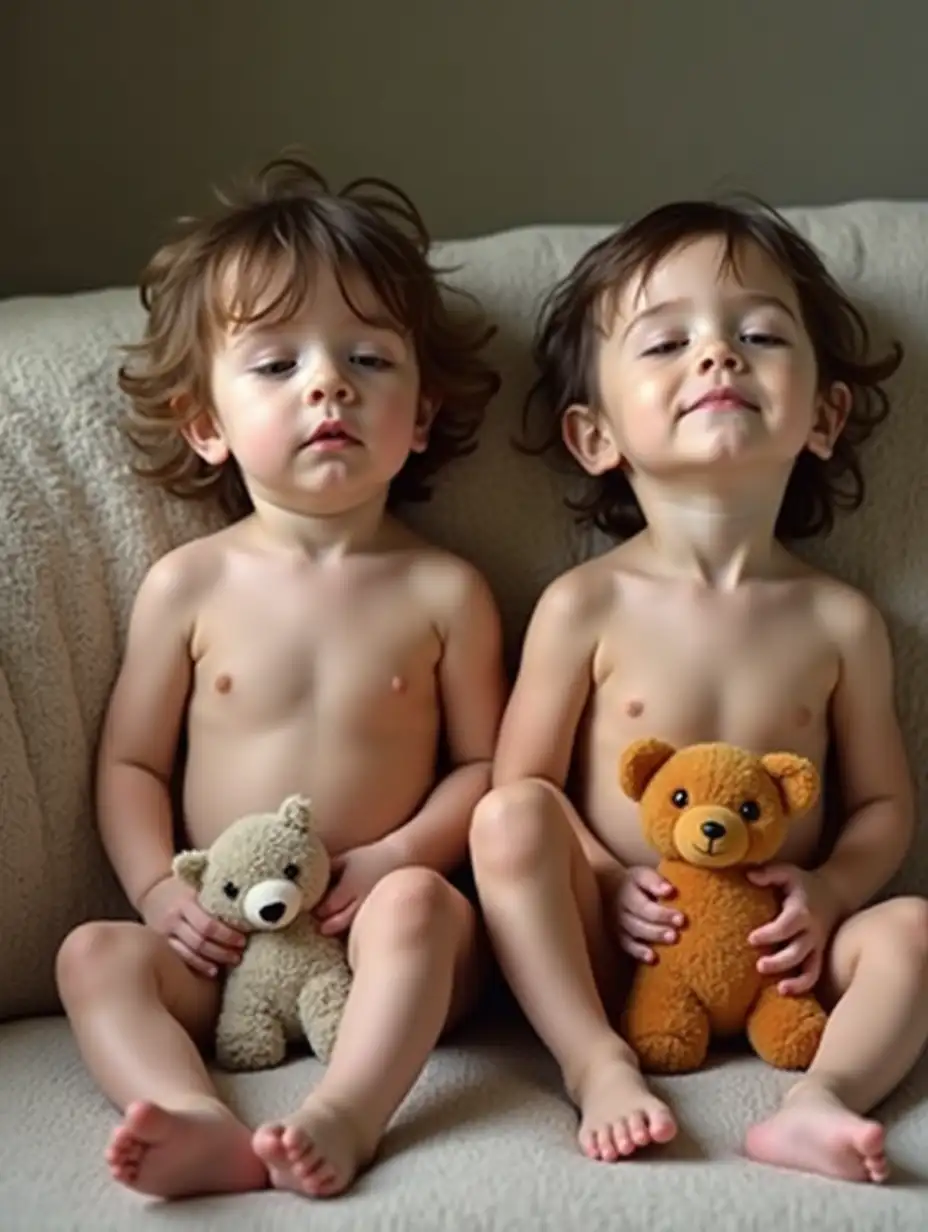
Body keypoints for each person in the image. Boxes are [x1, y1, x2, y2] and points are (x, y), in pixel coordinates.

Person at [55, 154, 506, 1201]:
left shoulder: (445, 590)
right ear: (204, 422)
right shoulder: (189, 585)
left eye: (366, 357)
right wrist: (153, 893)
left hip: (374, 935)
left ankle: (347, 1109)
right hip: (218, 950)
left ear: (423, 415)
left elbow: (486, 763)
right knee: (92, 955)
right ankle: (195, 1115)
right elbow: (128, 759)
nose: (327, 383)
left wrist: (394, 856)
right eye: (275, 364)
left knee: (426, 912)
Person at [469, 197, 928, 1184]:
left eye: (757, 333)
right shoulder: (583, 604)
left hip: (778, 951)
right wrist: (601, 874)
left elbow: (887, 803)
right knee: (505, 820)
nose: (717, 356)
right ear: (593, 434)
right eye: (666, 342)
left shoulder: (839, 619)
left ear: (823, 415)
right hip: (618, 942)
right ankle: (595, 1063)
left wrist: (832, 889)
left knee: (913, 931)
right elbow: (525, 788)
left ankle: (820, 1098)